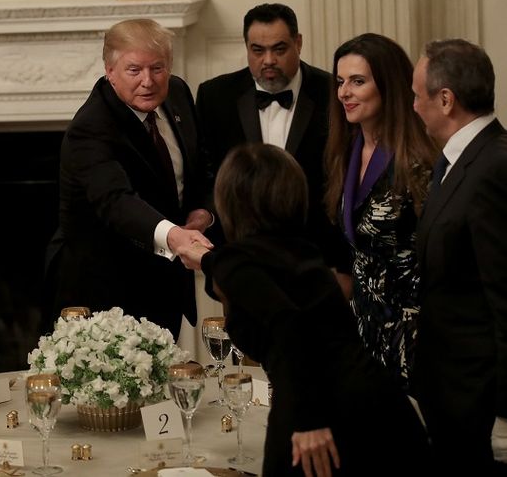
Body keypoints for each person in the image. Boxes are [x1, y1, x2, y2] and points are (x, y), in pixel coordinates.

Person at [178, 143, 430, 477]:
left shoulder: (238, 262)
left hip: (318, 409)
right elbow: (248, 274)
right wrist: (208, 259)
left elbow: (288, 325)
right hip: (381, 405)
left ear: (230, 203)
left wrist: (308, 421)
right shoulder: (302, 253)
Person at [47, 18, 212, 339]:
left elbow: (201, 165)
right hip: (103, 292)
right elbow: (116, 200)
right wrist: (175, 236)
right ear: (110, 71)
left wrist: (204, 211)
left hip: (163, 281)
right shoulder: (91, 127)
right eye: (134, 70)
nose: (148, 81)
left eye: (157, 68)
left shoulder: (177, 92)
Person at [196, 2, 350, 293]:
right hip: (241, 262)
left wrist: (341, 266)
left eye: (279, 49)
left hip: (318, 263)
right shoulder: (215, 96)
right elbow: (207, 176)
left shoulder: (333, 93)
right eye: (257, 50)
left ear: (298, 43)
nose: (268, 60)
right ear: (246, 47)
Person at [412, 39, 507, 476]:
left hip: (476, 391)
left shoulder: (494, 166)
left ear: (445, 99)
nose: (413, 106)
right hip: (449, 384)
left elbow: (503, 291)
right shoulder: (459, 159)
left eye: (418, 95)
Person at [324, 33, 438, 390]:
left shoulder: (420, 159)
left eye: (358, 81)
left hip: (416, 335)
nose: (344, 92)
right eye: (340, 82)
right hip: (364, 329)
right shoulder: (348, 149)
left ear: (388, 85)